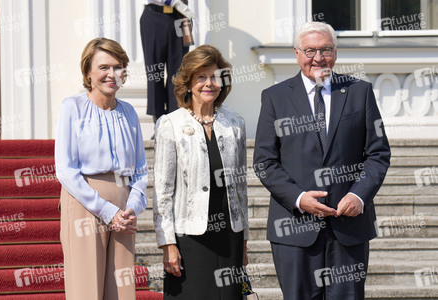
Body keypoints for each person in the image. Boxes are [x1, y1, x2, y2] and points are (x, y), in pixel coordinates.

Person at [253, 22, 391, 300]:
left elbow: (378, 153)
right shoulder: (275, 97)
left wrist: (358, 195)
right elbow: (264, 162)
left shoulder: (359, 92)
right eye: (310, 50)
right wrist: (299, 197)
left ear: (336, 53)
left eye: (326, 49)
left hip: (348, 227)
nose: (318, 57)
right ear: (296, 54)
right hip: (295, 228)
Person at [153, 44, 249, 299]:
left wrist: (245, 240)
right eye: (201, 77)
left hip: (230, 236)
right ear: (188, 82)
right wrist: (168, 243)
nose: (209, 83)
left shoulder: (235, 123)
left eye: (215, 77)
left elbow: (240, 188)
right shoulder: (170, 124)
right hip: (189, 238)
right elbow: (163, 192)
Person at [55, 38, 148, 300]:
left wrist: (133, 206)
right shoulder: (72, 107)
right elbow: (66, 169)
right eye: (104, 67)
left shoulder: (129, 112)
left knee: (122, 289)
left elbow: (140, 169)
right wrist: (107, 211)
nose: (112, 74)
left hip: (124, 205)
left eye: (118, 67)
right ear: (88, 72)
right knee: (87, 287)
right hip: (85, 202)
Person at [140, 0, 194, 123]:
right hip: (155, 17)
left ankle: (175, 121)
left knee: (179, 73)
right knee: (155, 72)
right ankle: (159, 123)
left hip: (181, 16)